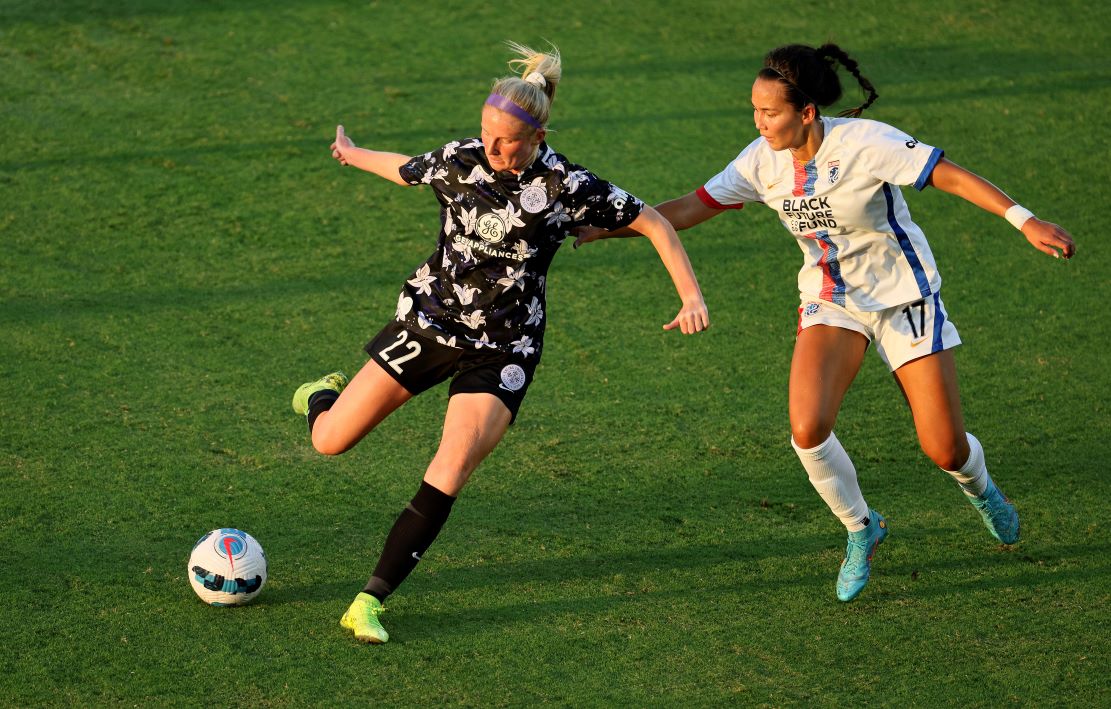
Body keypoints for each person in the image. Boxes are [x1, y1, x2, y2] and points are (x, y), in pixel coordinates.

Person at [576, 43, 1075, 602]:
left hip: (904, 297)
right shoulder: (759, 162)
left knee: (944, 449)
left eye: (771, 113)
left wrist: (1024, 220)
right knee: (807, 427)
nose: (759, 123)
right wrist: (613, 226)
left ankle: (981, 490)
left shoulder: (866, 144)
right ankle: (862, 528)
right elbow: (691, 207)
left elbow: (950, 176)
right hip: (832, 301)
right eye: (755, 111)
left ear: (807, 112)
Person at [292, 42, 709, 643]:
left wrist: (689, 296)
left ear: (537, 135)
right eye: (487, 133)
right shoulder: (462, 160)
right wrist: (353, 154)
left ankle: (368, 601)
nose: (492, 147)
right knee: (330, 442)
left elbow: (653, 221)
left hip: (504, 348)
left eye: (506, 139)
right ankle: (319, 396)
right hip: (429, 324)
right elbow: (408, 167)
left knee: (453, 460)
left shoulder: (567, 183)